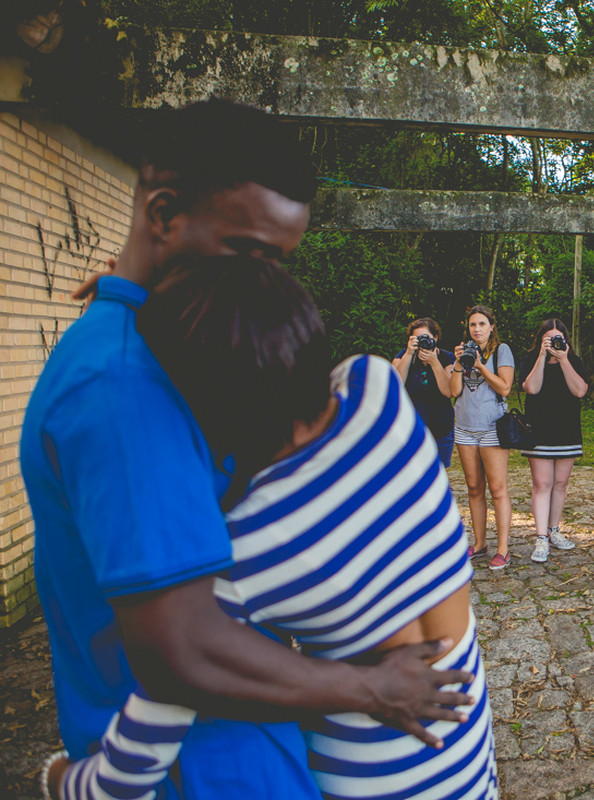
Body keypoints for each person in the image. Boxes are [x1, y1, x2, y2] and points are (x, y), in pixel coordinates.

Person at [21, 100, 471, 799]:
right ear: (164, 215)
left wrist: (128, 292)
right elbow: (184, 648)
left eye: (280, 263)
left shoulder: (167, 341)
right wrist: (370, 688)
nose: (269, 283)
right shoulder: (125, 383)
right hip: (209, 771)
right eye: (251, 254)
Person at [51, 256, 497, 800]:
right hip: (471, 761)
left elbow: (130, 767)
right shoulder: (375, 389)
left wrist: (59, 779)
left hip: (378, 785)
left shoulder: (246, 550)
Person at [450, 305, 515, 570]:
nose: (476, 329)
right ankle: (479, 544)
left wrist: (479, 365)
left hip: (492, 427)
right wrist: (458, 363)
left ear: (491, 327)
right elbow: (453, 391)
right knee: (474, 488)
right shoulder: (462, 351)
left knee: (497, 489)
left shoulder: (502, 351)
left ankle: (503, 548)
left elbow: (505, 387)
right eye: (472, 325)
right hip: (464, 428)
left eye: (481, 324)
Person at [520, 319, 589, 562]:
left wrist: (563, 359)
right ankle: (540, 538)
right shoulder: (531, 359)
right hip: (539, 430)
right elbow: (532, 388)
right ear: (540, 340)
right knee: (542, 484)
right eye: (548, 339)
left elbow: (580, 391)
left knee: (560, 484)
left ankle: (554, 530)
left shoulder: (573, 360)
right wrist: (541, 356)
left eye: (558, 338)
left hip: (566, 430)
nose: (554, 343)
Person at [393, 317, 456, 468]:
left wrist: (434, 362)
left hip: (441, 430)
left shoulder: (446, 358)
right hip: (411, 430)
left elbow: (449, 391)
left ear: (435, 337)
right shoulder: (403, 356)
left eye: (426, 337)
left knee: (438, 475)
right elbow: (395, 385)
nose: (423, 342)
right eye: (418, 338)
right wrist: (409, 354)